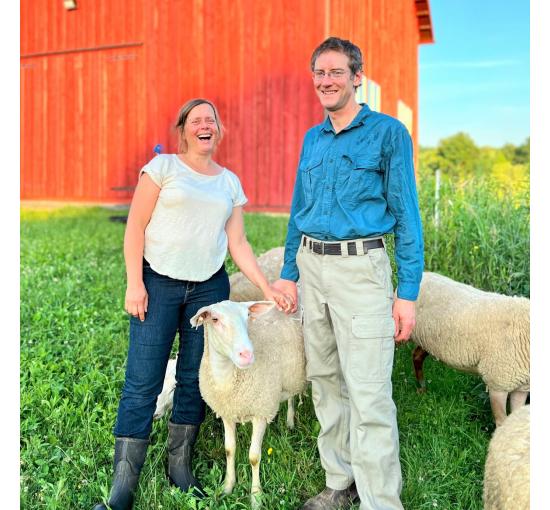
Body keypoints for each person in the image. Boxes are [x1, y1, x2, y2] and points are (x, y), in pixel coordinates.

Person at [93, 98, 289, 510]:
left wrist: (265, 287)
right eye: (196, 120)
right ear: (183, 130)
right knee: (142, 380)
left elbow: (238, 243)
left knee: (193, 380)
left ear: (219, 131)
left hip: (208, 289)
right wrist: (134, 283)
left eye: (211, 120)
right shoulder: (162, 169)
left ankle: (179, 468)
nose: (205, 125)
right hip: (158, 283)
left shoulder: (229, 182)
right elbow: (135, 228)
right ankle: (123, 486)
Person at [272, 37, 424, 510]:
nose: (326, 81)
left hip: (362, 270)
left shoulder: (388, 133)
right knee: (324, 380)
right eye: (319, 73)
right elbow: (300, 209)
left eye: (336, 72)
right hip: (313, 270)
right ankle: (340, 482)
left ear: (357, 77)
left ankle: (381, 501)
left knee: (369, 392)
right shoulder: (311, 139)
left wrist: (408, 291)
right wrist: (288, 272)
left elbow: (407, 215)